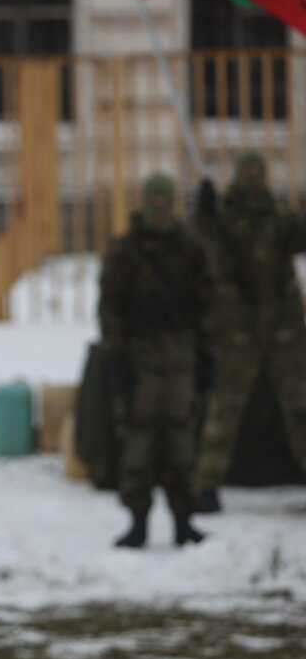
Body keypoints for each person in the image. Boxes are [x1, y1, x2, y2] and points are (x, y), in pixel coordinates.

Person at [99, 174, 213, 549]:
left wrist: (206, 353)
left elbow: (208, 304)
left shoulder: (190, 248)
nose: (161, 210)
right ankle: (138, 522)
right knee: (138, 444)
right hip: (140, 361)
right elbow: (110, 308)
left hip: (181, 359)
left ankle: (184, 520)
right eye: (156, 202)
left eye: (168, 202)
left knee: (182, 441)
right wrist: (117, 356)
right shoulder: (125, 251)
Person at [193, 151, 306, 513]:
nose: (255, 181)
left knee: (301, 406)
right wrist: (205, 209)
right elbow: (205, 240)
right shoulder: (225, 219)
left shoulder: (279, 218)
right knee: (225, 407)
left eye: (260, 174)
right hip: (240, 330)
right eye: (249, 174)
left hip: (283, 328)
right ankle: (206, 484)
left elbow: (299, 237)